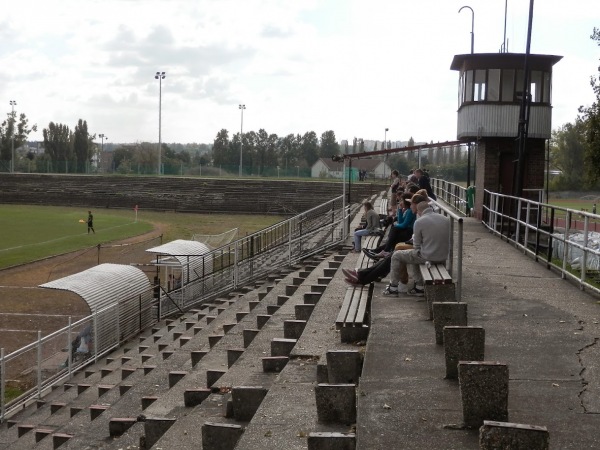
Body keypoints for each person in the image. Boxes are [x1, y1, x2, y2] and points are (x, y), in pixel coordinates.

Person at [383, 200, 450, 296]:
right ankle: (419, 287)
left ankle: (393, 287)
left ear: (419, 211)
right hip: (442, 257)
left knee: (396, 255)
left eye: (417, 212)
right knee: (414, 256)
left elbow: (416, 245)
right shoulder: (445, 219)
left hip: (428, 257)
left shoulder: (419, 221)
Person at [365, 194, 426, 258]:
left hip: (409, 232)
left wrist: (395, 225)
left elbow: (404, 225)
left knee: (394, 230)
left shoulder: (410, 211)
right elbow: (400, 222)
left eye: (402, 200)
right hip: (407, 231)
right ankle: (377, 251)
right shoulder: (408, 210)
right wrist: (399, 210)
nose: (400, 202)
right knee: (392, 238)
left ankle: (384, 251)